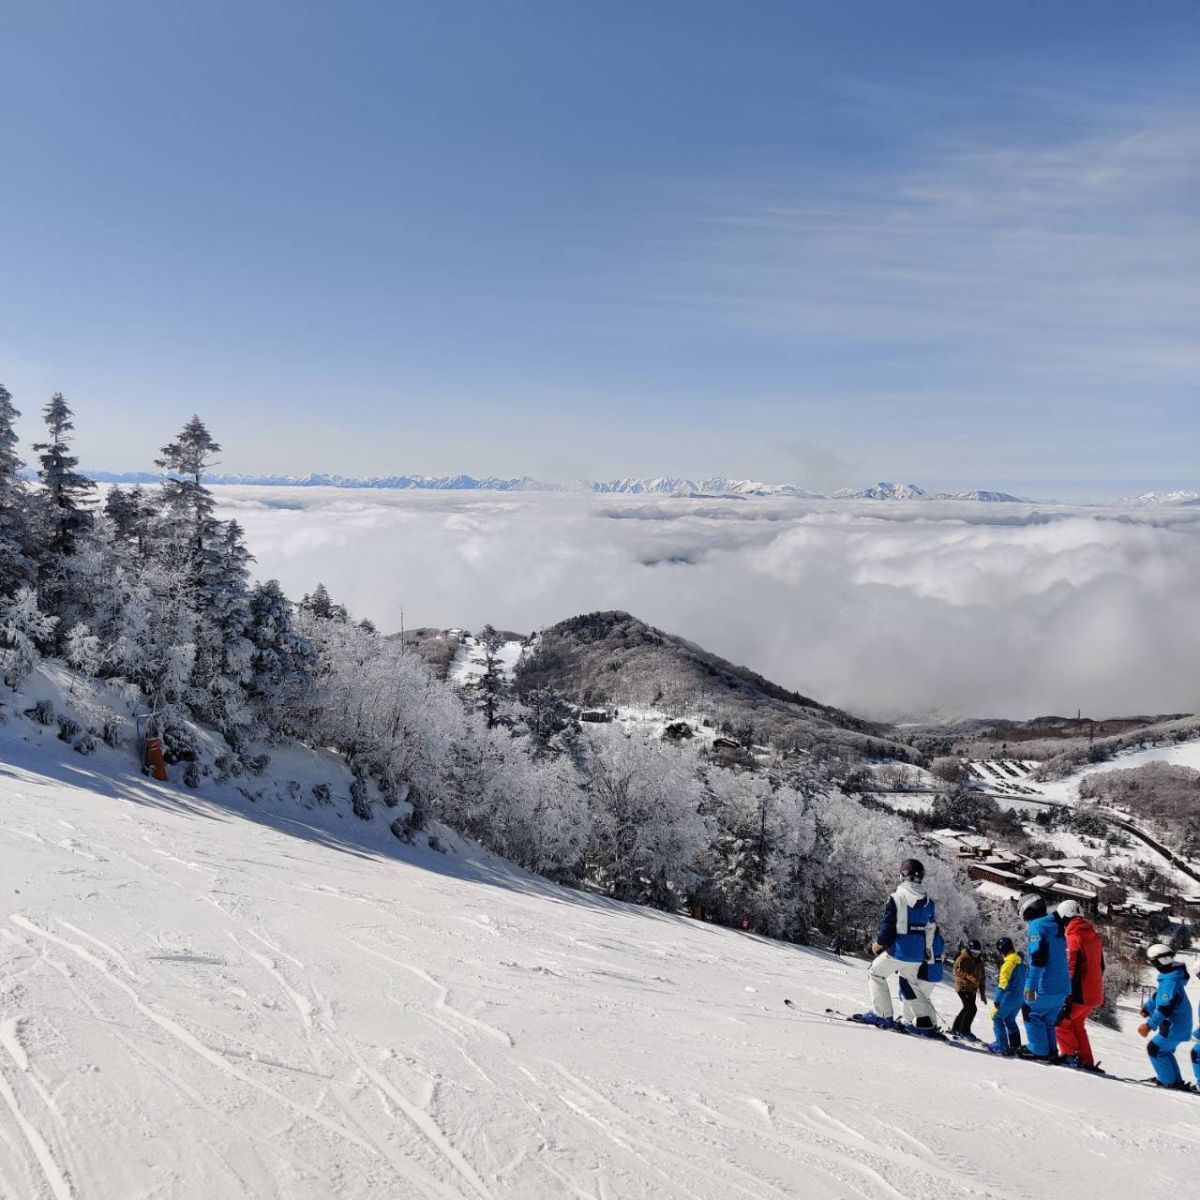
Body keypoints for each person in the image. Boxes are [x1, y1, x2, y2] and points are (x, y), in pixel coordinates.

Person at [856, 858, 937, 1029]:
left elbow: (887, 925)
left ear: (902, 875)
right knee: (908, 983)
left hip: (899, 949)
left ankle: (882, 1015)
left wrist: (877, 944)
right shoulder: (929, 903)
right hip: (917, 953)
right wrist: (927, 950)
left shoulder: (896, 898)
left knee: (875, 973)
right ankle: (925, 1021)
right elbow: (930, 928)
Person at [1053, 899, 1105, 1070]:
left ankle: (1070, 1055)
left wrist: (1067, 994)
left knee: (1060, 1023)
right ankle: (1086, 1061)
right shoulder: (1095, 937)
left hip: (1079, 992)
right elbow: (1101, 966)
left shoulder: (1073, 937)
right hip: (1094, 992)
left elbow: (1071, 968)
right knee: (1076, 1025)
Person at [1018, 893, 1069, 1061]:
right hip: (1062, 987)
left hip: (1046, 985)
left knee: (1031, 1011)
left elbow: (1038, 959)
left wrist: (1030, 987)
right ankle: (1050, 1050)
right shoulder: (1054, 925)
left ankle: (1038, 1050)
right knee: (1047, 1018)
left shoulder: (1037, 925)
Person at [1139, 943, 1194, 1090]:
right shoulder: (1171, 976)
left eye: (1153, 962)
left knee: (1155, 1049)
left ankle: (1168, 1081)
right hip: (1179, 1025)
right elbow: (1161, 996)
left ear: (1159, 962)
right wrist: (1148, 1007)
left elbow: (1165, 1008)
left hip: (1174, 1027)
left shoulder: (1170, 981)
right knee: (1163, 1051)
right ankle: (1172, 1080)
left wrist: (1148, 1025)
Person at [899, 921, 945, 1036]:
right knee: (923, 997)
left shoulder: (927, 936)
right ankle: (932, 1023)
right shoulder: (937, 936)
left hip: (927, 972)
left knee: (908, 993)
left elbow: (921, 953)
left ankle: (908, 1021)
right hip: (935, 972)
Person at [988, 937, 1026, 1056]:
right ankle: (1016, 1046)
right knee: (1010, 1019)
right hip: (1019, 998)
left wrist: (997, 999)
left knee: (997, 1018)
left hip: (1008, 996)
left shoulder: (1008, 964)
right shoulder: (1021, 964)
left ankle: (1002, 1045)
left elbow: (1003, 983)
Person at [950, 939, 987, 1040]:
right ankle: (964, 1031)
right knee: (971, 1009)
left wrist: (982, 994)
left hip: (972, 989)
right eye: (974, 952)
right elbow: (956, 971)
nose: (976, 954)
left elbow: (982, 978)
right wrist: (970, 977)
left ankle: (956, 1028)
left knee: (967, 1008)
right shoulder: (963, 958)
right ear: (969, 950)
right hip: (963, 987)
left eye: (977, 952)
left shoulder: (979, 961)